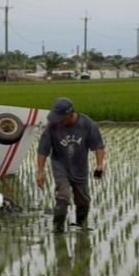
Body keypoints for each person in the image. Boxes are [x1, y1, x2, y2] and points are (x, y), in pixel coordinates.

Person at [35, 97, 106, 233]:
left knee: (84, 200)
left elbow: (98, 146)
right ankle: (58, 228)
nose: (58, 122)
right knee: (63, 197)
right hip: (60, 166)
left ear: (70, 115)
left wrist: (100, 165)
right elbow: (43, 150)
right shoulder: (52, 127)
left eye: (61, 119)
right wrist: (40, 171)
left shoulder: (87, 124)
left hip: (80, 167)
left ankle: (80, 225)